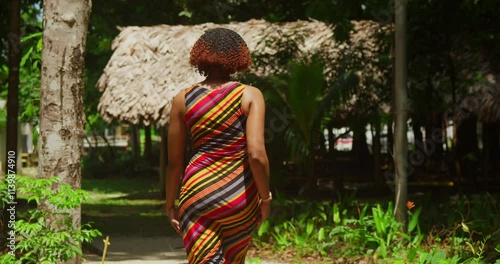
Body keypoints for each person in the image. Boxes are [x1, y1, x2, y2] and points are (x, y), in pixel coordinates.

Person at [165, 27, 271, 264]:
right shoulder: (250, 95)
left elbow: (174, 162)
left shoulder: (182, 99)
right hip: (240, 195)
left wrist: (170, 203)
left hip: (198, 193)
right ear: (238, 57)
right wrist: (265, 199)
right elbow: (256, 154)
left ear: (200, 56)